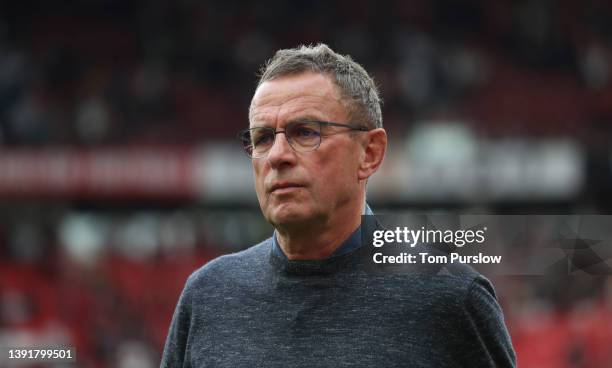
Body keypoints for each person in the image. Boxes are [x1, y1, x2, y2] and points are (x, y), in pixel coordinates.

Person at [161, 44, 516, 367]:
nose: (277, 156)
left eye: (305, 132)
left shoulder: (452, 296)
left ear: (369, 153)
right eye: (263, 138)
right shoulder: (208, 295)